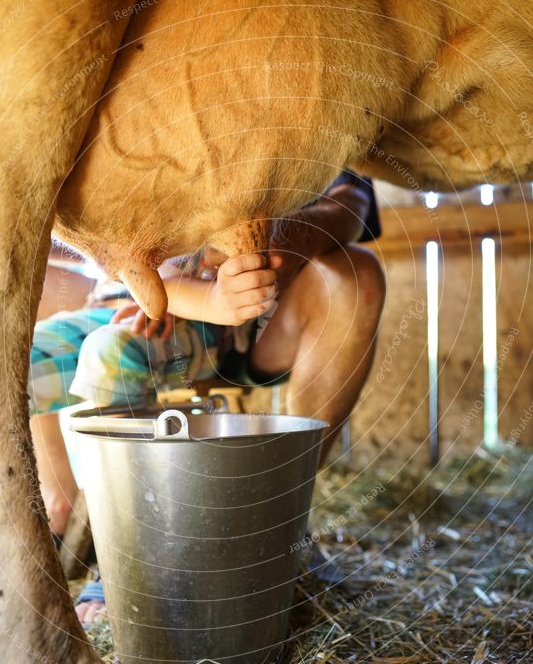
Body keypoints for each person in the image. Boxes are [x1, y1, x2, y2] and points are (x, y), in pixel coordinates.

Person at [30, 171, 385, 624]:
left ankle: (128, 561)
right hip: (116, 298)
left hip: (198, 316)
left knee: (111, 351)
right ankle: (56, 505)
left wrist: (192, 290)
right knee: (20, 356)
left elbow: (352, 201)